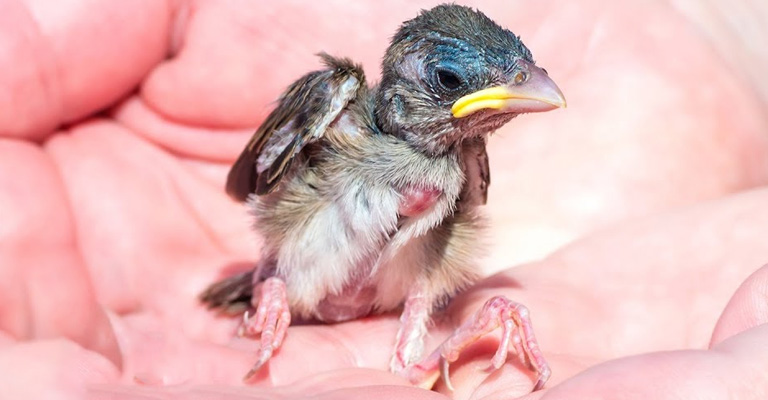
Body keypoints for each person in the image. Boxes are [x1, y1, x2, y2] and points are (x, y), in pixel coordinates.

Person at [1, 1, 767, 399]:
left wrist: (480, 321)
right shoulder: (339, 101)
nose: (522, 94)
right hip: (304, 275)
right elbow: (258, 185)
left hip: (393, 300)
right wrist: (270, 280)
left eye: (517, 76)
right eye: (452, 85)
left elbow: (423, 321)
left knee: (439, 300)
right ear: (402, 86)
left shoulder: (465, 152)